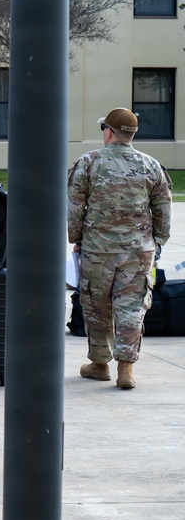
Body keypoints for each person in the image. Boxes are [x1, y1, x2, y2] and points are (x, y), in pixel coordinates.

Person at [68, 107, 173, 389]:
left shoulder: (88, 162)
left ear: (109, 132)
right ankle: (126, 368)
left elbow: (75, 206)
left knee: (96, 306)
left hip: (98, 250)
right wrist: (158, 240)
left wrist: (76, 238)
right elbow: (163, 208)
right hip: (138, 252)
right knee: (132, 307)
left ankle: (100, 364)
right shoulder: (151, 165)